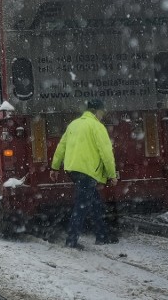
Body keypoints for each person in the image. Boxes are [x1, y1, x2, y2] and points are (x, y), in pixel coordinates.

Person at [50, 98, 118, 249]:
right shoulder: (97, 127)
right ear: (96, 111)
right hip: (87, 171)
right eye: (102, 112)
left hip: (73, 170)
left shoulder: (74, 124)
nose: (103, 115)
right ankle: (71, 241)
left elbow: (61, 146)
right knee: (81, 207)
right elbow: (106, 153)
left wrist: (54, 168)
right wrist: (112, 175)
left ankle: (102, 235)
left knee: (95, 203)